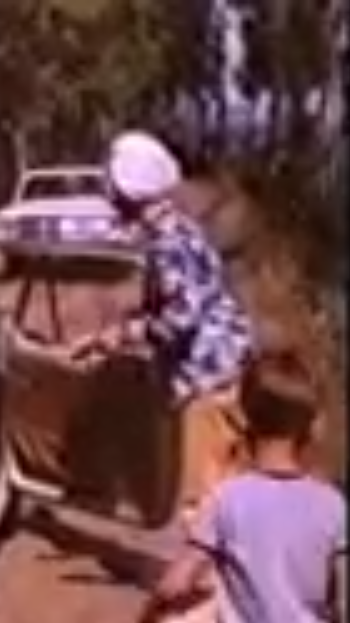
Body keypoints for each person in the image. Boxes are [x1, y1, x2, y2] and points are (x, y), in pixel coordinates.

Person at [74, 130, 254, 520]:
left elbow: (182, 316)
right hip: (222, 368)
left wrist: (126, 334)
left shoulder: (168, 242)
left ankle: (208, 558)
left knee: (204, 499)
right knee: (223, 485)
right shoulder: (175, 230)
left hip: (206, 378)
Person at [130, 349, 346, 623]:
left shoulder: (228, 499)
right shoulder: (332, 506)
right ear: (311, 425)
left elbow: (176, 583)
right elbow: (341, 602)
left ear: (244, 418)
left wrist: (147, 621)